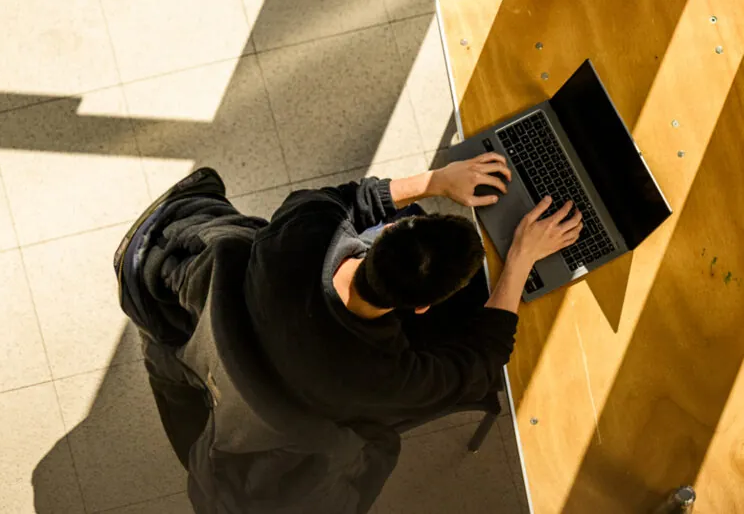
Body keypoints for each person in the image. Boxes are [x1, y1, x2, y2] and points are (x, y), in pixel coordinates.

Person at [114, 154, 583, 514]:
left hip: (232, 334)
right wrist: (520, 256)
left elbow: (344, 197)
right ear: (419, 307)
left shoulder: (301, 233)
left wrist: (437, 180)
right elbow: (484, 356)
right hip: (290, 378)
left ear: (386, 233)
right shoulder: (382, 379)